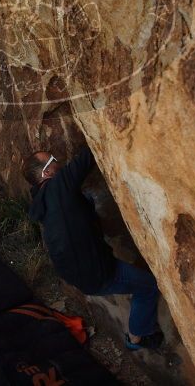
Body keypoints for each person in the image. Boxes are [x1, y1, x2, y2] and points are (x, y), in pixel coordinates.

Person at [22, 146, 164, 350]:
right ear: (46, 172)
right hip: (97, 273)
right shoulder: (59, 187)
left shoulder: (41, 200)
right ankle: (137, 337)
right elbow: (88, 155)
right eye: (52, 159)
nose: (58, 161)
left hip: (78, 274)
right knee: (148, 286)